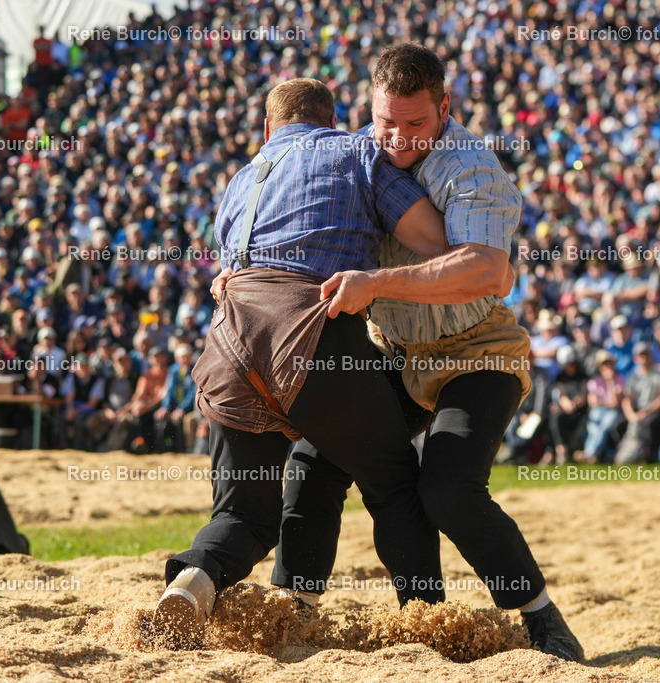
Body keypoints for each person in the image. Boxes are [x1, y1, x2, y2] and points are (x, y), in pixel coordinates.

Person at [260, 45, 582, 661]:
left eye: (415, 124)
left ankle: (540, 616)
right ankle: (298, 611)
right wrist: (242, 269)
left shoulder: (473, 167)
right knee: (312, 463)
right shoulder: (353, 153)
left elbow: (488, 271)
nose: (399, 139)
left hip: (477, 350)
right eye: (386, 123)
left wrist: (376, 283)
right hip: (394, 346)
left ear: (445, 108)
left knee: (449, 490)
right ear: (369, 107)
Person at [154, 77, 451, 646]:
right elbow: (436, 242)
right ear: (331, 119)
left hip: (227, 349)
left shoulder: (240, 181)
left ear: (268, 130)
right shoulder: (357, 150)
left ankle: (194, 580)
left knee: (243, 516)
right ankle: (427, 620)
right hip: (311, 331)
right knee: (392, 483)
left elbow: (227, 277)